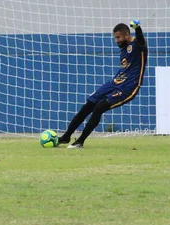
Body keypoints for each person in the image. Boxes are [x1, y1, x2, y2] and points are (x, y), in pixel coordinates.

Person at [58, 20, 147, 148]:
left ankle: (80, 141)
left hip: (129, 87)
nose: (116, 40)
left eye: (118, 37)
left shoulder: (138, 46)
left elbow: (141, 40)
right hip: (114, 82)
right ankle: (66, 136)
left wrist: (138, 28)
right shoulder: (123, 49)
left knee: (99, 107)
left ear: (127, 35)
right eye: (115, 38)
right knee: (87, 106)